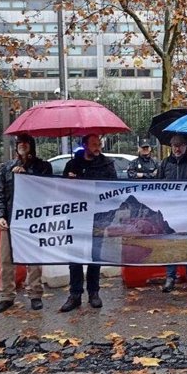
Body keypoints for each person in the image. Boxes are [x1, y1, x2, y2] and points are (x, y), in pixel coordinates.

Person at [0, 134, 52, 313]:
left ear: (32, 146)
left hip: (32, 220)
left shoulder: (43, 167)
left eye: (25, 143)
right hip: (10, 220)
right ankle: (6, 296)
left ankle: (35, 294)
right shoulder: (7, 168)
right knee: (6, 259)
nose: (22, 146)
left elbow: (46, 190)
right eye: (19, 143)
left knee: (33, 259)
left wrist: (27, 176)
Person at [60, 134, 117, 312]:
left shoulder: (107, 165)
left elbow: (114, 191)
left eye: (99, 143)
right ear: (84, 145)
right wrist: (69, 181)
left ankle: (94, 293)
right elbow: (62, 191)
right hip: (76, 216)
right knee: (75, 256)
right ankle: (75, 294)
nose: (97, 147)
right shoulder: (72, 165)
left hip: (98, 217)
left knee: (95, 255)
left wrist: (109, 216)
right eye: (93, 144)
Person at [157, 134, 187, 294]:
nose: (177, 148)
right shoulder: (165, 163)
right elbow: (157, 184)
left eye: (181, 145)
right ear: (171, 145)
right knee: (171, 243)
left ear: (186, 146)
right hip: (170, 211)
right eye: (175, 145)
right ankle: (170, 277)